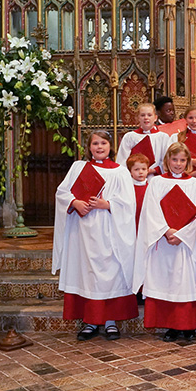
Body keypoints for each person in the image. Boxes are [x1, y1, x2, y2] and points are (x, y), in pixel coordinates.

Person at [53, 130, 138, 341]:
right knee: (87, 274)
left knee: (111, 272)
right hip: (83, 231)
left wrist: (107, 204)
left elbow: (129, 203)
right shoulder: (78, 167)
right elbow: (62, 192)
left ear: (111, 146)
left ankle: (110, 322)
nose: (99, 147)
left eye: (103, 143)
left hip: (110, 230)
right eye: (95, 143)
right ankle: (90, 322)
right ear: (88, 147)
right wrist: (74, 202)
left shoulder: (120, 171)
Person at [133, 142, 196, 342]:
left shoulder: (194, 184)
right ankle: (171, 326)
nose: (178, 164)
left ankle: (188, 326)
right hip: (163, 240)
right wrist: (166, 231)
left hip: (185, 243)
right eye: (175, 160)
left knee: (185, 282)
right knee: (165, 281)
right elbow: (151, 210)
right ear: (167, 160)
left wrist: (182, 234)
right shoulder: (156, 182)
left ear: (188, 162)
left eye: (183, 160)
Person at [116, 103, 170, 176]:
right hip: (134, 178)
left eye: (149, 115)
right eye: (142, 115)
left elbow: (167, 160)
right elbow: (122, 160)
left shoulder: (163, 137)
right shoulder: (129, 137)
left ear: (155, 118)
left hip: (155, 177)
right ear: (138, 118)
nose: (146, 118)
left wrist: (154, 170)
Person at [170, 106, 196, 170]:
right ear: (185, 119)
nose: (194, 121)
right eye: (190, 118)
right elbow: (169, 158)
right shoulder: (176, 137)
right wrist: (193, 161)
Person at [127, 153, 150, 230]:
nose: (140, 172)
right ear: (130, 171)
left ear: (148, 170)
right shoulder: (127, 187)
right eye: (136, 169)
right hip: (131, 220)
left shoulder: (150, 187)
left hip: (146, 221)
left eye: (143, 169)